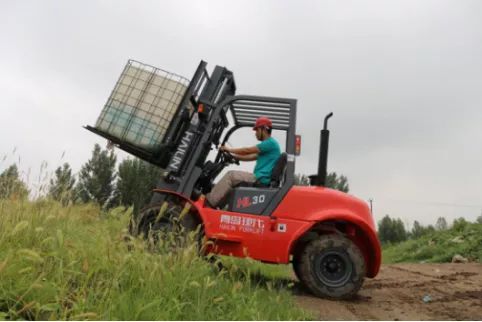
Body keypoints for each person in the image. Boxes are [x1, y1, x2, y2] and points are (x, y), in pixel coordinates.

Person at [205, 116, 281, 208]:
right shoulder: (269, 147)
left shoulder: (270, 143)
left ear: (264, 129)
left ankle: (208, 203)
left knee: (230, 175)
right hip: (261, 179)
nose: (256, 133)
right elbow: (251, 156)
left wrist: (229, 149)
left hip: (259, 179)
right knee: (233, 184)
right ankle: (216, 206)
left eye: (257, 130)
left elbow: (247, 151)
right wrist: (234, 157)